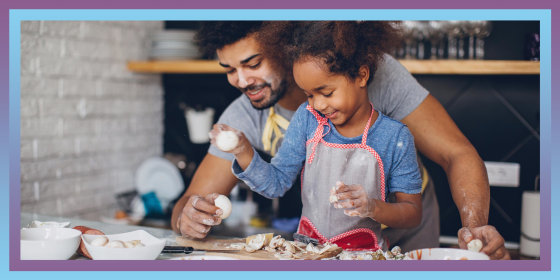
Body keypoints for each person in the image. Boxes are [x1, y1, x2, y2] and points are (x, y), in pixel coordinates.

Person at [171, 21, 510, 259]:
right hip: (326, 248)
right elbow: (190, 202)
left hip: (407, 237)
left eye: (253, 63)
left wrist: (475, 229)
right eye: (229, 69)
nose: (242, 81)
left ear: (283, 48)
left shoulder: (370, 75)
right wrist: (188, 216)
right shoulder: (251, 114)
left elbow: (457, 154)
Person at [209, 21, 423, 251]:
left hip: (363, 256)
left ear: (361, 75)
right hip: (309, 252)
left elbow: (412, 214)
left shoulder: (394, 137)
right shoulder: (308, 119)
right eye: (309, 95)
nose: (318, 104)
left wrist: (372, 207)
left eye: (326, 92)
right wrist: (243, 150)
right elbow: (275, 184)